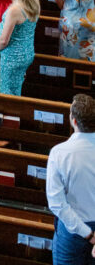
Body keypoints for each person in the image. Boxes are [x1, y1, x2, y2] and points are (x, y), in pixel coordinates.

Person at [45, 94, 95, 265]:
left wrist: (88, 234)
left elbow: (57, 203)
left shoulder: (59, 153)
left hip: (72, 230)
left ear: (73, 121)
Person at [0, 0, 39, 95]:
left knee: (7, 90)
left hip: (13, 57)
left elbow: (4, 40)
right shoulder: (35, 1)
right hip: (27, 52)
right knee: (15, 87)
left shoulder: (15, 10)